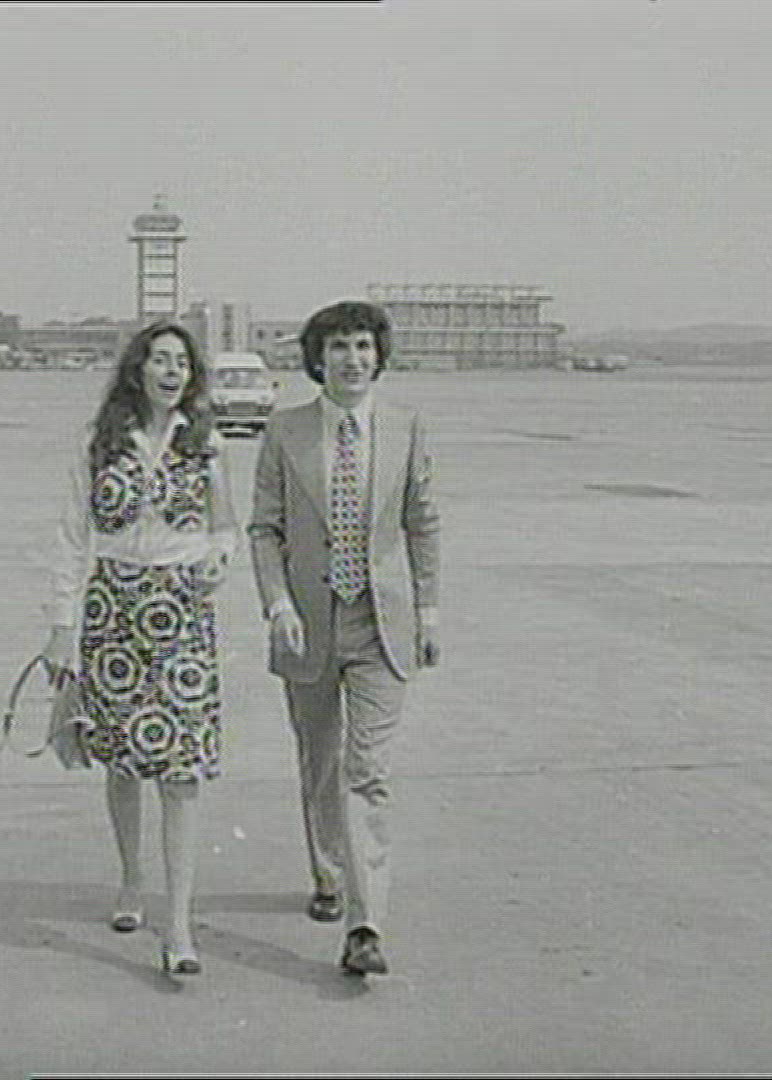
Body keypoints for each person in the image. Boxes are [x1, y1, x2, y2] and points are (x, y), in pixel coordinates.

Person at [248, 299, 441, 977]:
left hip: (381, 624)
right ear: (317, 359)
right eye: (338, 347)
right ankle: (329, 872)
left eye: (363, 346)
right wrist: (277, 602)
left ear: (379, 356)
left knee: (368, 771)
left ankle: (366, 923)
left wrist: (430, 611)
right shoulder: (285, 430)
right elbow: (264, 527)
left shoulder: (406, 427)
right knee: (321, 761)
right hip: (306, 622)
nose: (352, 359)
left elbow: (423, 522)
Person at [42, 320, 238, 977]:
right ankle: (132, 879)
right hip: (114, 612)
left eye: (182, 362)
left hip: (182, 615)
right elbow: (72, 537)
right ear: (138, 369)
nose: (171, 372)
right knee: (124, 762)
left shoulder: (206, 442)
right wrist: (61, 625)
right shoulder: (100, 441)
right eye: (159, 360)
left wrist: (217, 559)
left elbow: (225, 528)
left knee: (181, 773)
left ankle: (178, 926)